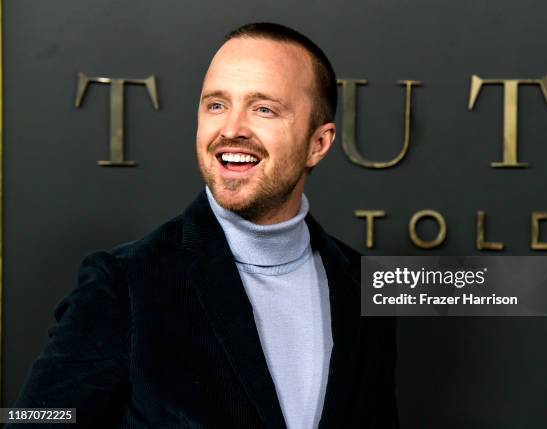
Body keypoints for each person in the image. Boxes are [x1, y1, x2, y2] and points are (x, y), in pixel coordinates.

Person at [10, 22, 398, 429]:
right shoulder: (122, 282)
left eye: (263, 108)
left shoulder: (361, 282)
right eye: (216, 105)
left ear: (318, 144)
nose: (231, 129)